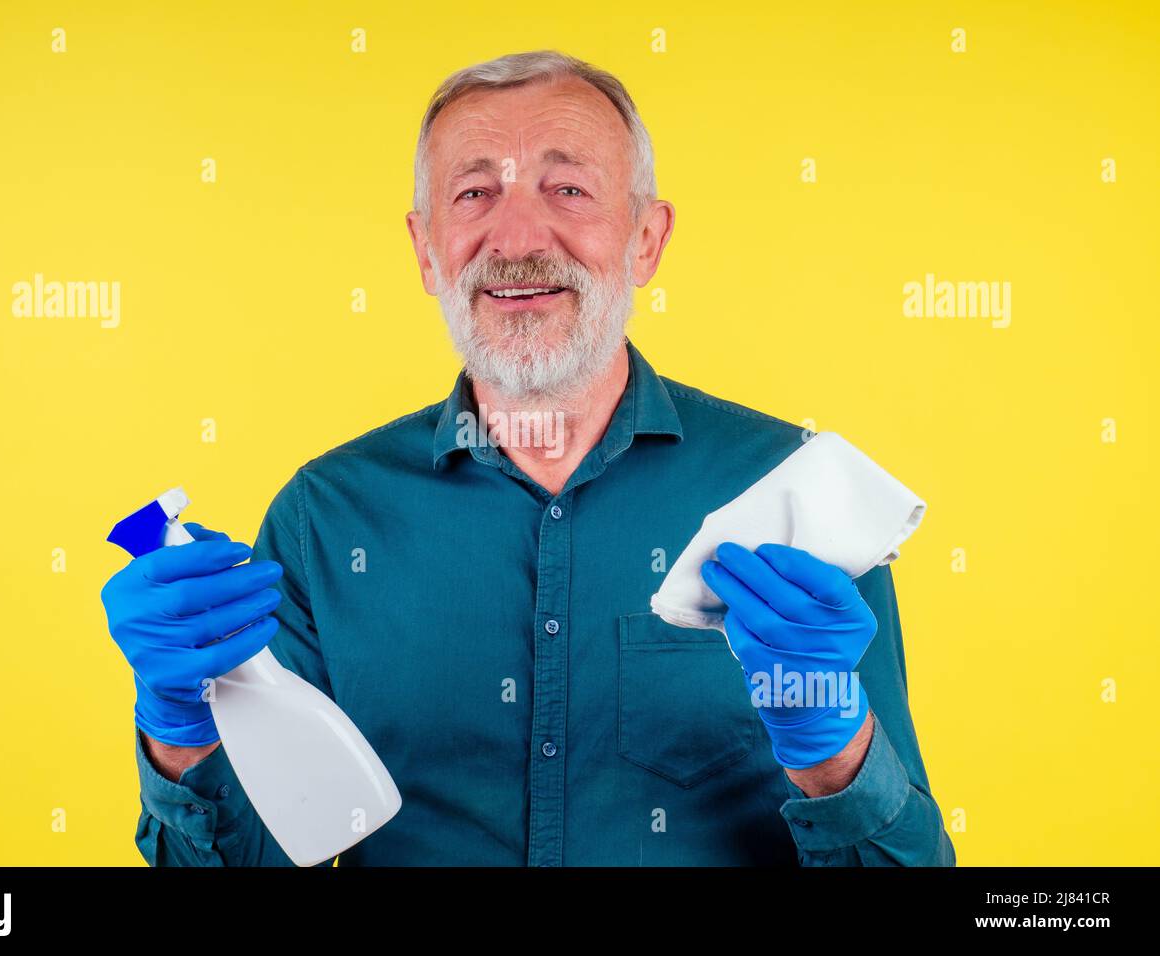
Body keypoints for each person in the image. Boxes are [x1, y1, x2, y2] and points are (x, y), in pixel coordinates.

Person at [101, 50, 954, 866]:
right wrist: (183, 735)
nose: (515, 237)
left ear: (646, 240)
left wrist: (835, 750)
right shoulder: (326, 517)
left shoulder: (791, 497)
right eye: (474, 193)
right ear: (426, 250)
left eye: (568, 187)